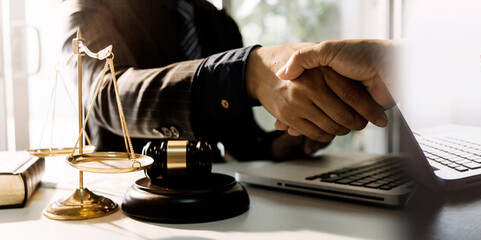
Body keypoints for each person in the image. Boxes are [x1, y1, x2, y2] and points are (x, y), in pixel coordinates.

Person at [62, 0, 390, 160]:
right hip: (126, 205)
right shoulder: (93, 7)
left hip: (216, 200)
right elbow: (104, 94)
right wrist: (243, 71)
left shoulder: (217, 22)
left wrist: (277, 146)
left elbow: (238, 136)